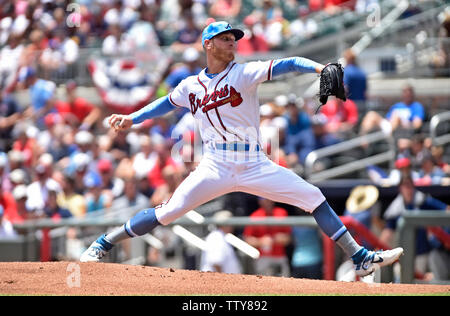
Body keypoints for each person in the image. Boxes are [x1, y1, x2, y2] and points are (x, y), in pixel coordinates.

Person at [80, 21, 403, 278]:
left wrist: (319, 69)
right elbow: (165, 103)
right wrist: (132, 119)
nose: (232, 41)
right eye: (224, 38)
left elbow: (288, 63)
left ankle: (360, 258)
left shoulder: (244, 72)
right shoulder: (190, 85)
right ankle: (103, 243)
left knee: (314, 198)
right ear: (208, 44)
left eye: (234, 37)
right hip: (215, 165)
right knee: (167, 212)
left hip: (253, 163)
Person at [380, 174, 449, 281]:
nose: (407, 189)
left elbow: (446, 210)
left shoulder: (422, 200)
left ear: (413, 186)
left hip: (423, 254)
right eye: (404, 186)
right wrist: (376, 250)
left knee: (422, 283)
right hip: (402, 255)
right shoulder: (395, 207)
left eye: (409, 185)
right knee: (401, 283)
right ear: (400, 188)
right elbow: (388, 232)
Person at [243, 198, 292, 277]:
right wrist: (261, 241)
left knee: (284, 284)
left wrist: (278, 239)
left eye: (269, 199)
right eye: (264, 200)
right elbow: (247, 239)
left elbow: (289, 238)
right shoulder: (255, 216)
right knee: (263, 286)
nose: (267, 202)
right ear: (260, 201)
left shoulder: (281, 213)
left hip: (280, 257)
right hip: (263, 258)